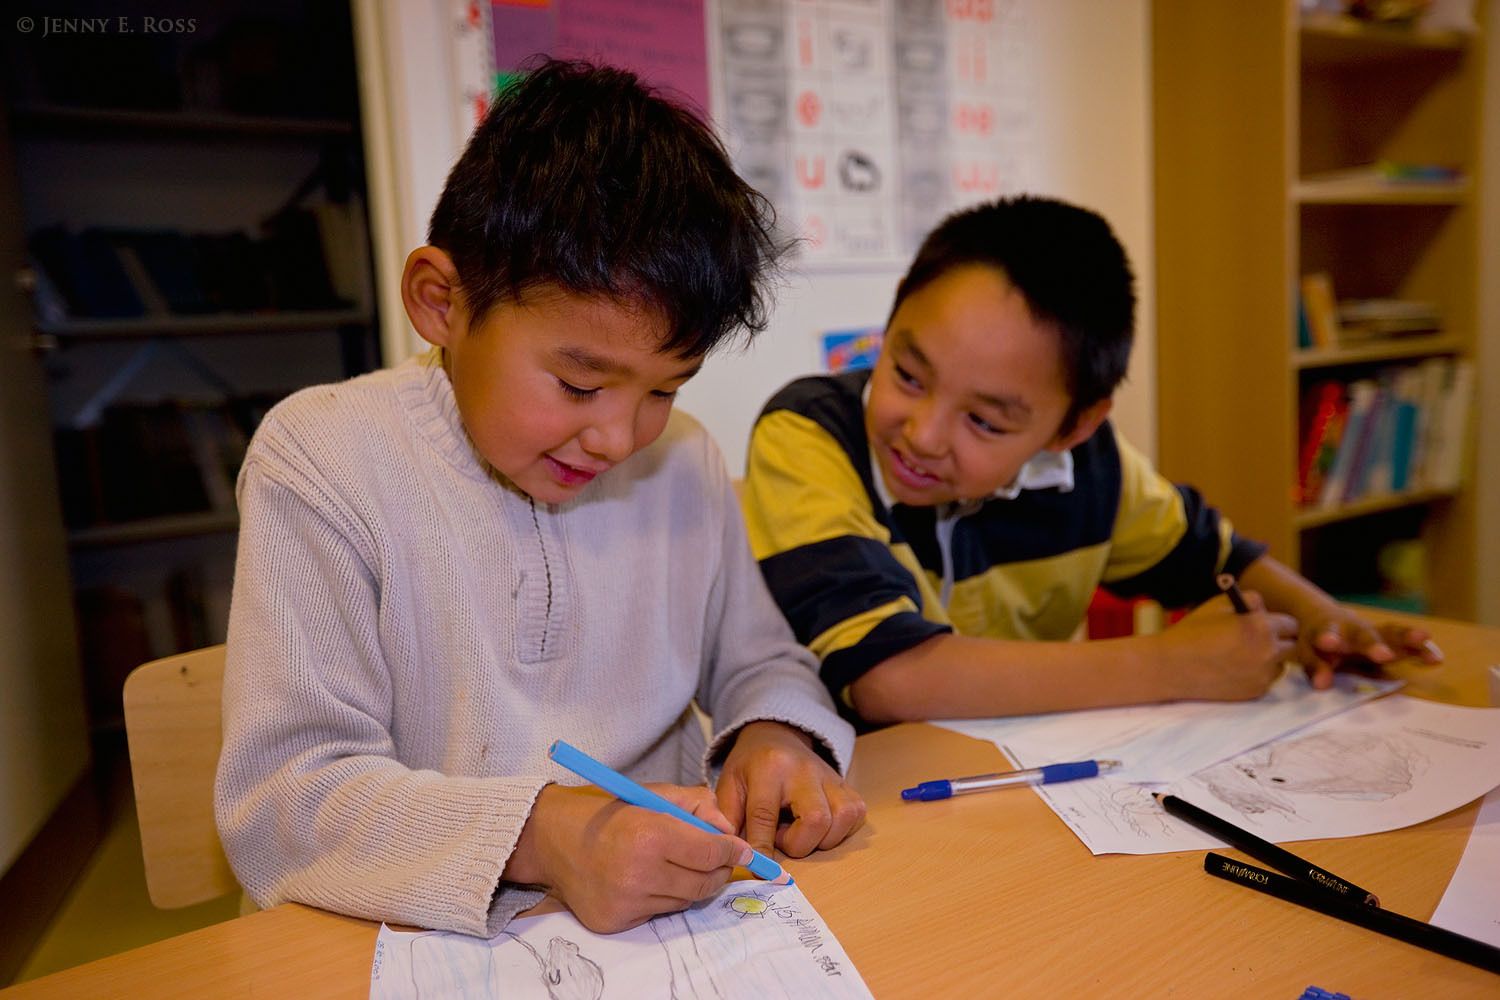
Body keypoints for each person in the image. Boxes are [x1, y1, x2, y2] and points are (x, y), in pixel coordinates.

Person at [214, 58, 863, 939]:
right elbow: (286, 796)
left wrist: (775, 738)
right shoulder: (324, 458)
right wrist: (543, 832)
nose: (620, 437)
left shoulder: (684, 463)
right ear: (441, 301)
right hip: (394, 939)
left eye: (664, 389)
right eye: (579, 382)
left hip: (667, 929)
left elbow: (760, 661)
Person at [740, 195, 1441, 728]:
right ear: (888, 331)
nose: (922, 434)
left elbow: (1213, 554)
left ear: (1074, 425)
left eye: (984, 420)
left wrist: (1325, 618)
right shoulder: (811, 434)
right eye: (908, 373)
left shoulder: (1093, 467)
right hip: (860, 799)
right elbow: (891, 680)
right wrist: (1170, 664)